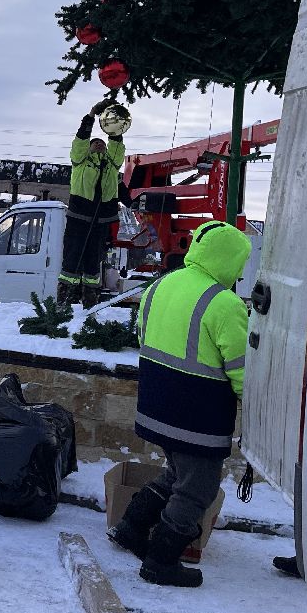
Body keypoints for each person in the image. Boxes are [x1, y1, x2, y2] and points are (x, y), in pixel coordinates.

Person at [107, 220, 250, 588]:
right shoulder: (225, 303)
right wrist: (251, 404)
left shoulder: (160, 285)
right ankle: (161, 561)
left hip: (157, 405)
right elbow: (240, 368)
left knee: (175, 473)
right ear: (230, 260)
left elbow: (144, 335)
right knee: (197, 488)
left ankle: (130, 528)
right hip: (197, 414)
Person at [58, 98, 126, 306]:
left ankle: (90, 297)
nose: (99, 144)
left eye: (102, 143)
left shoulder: (112, 165)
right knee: (71, 257)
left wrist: (112, 122)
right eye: (95, 142)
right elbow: (80, 140)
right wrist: (90, 116)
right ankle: (65, 298)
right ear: (88, 148)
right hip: (79, 217)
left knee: (93, 261)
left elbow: (116, 145)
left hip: (101, 219)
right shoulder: (80, 161)